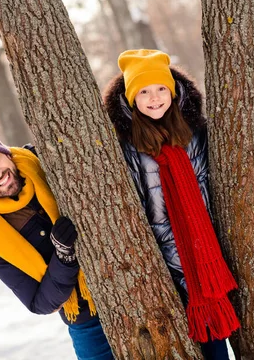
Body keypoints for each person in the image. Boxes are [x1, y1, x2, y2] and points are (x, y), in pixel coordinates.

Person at [102, 49, 240, 359]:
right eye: (144, 91)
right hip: (169, 266)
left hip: (211, 256)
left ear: (173, 91)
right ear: (131, 98)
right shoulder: (127, 146)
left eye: (161, 88)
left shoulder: (195, 132)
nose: (154, 98)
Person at [0, 130, 113, 360]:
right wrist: (63, 258)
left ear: (7, 154)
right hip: (85, 321)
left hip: (131, 283)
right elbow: (38, 303)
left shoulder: (45, 161)